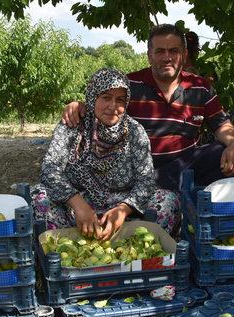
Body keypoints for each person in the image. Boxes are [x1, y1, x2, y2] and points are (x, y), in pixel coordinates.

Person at [62, 24, 234, 193]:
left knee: (219, 153)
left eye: (173, 51)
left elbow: (221, 124)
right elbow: (104, 108)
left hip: (183, 166)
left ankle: (192, 209)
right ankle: (159, 200)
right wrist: (80, 106)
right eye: (160, 51)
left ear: (184, 54)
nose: (167, 57)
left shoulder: (200, 87)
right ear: (149, 55)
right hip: (137, 169)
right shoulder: (129, 85)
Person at [32, 68, 180, 240]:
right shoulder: (72, 125)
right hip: (74, 211)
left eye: (120, 100)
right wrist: (79, 206)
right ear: (93, 97)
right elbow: (50, 170)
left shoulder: (134, 131)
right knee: (39, 197)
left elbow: (145, 180)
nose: (113, 106)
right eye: (106, 97)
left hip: (123, 213)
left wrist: (123, 209)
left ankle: (132, 248)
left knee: (167, 200)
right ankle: (67, 250)